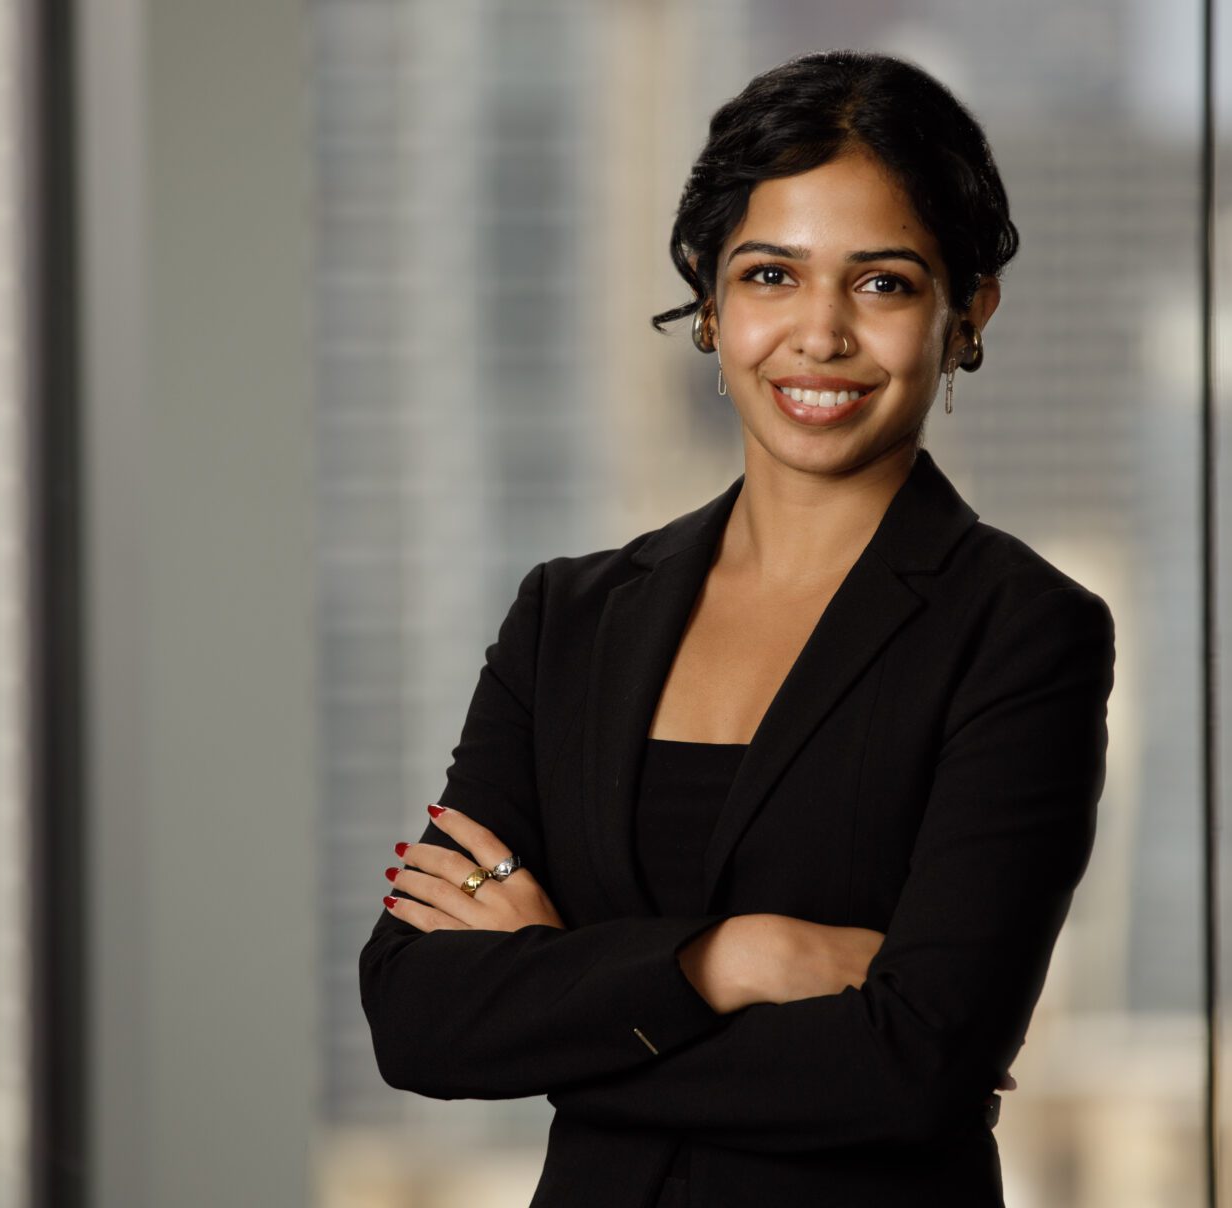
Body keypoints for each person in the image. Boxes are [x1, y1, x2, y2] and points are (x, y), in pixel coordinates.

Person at [358, 49, 1116, 1208]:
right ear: (710, 303)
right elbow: (416, 1016)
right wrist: (727, 959)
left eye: (881, 283)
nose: (817, 334)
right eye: (770, 275)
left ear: (967, 312)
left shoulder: (1022, 633)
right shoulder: (568, 615)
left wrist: (562, 997)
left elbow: (913, 1069)